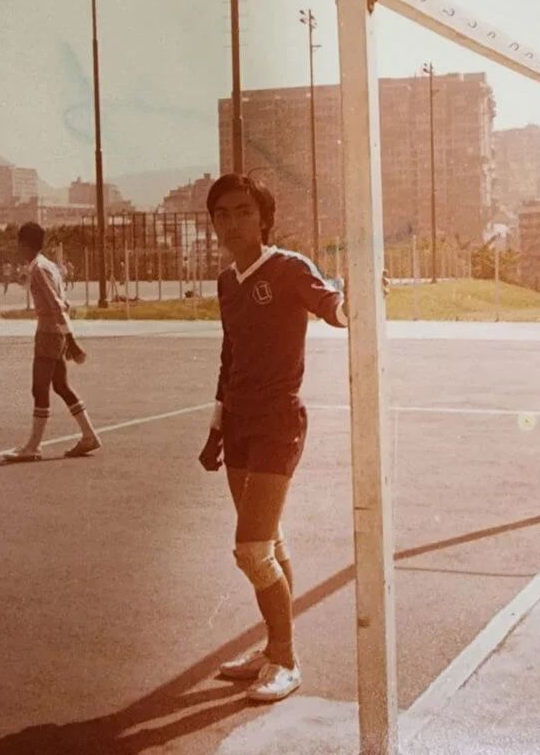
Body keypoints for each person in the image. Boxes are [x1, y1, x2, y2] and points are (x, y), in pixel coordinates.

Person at [198, 173, 388, 704]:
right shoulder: (227, 281)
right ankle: (272, 647)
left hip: (278, 423)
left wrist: (359, 300)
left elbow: (333, 309)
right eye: (221, 215)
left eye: (243, 211)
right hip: (238, 425)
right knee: (268, 543)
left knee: (251, 551)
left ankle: (285, 660)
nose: (232, 223)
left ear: (263, 218)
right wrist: (216, 427)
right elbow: (229, 356)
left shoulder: (288, 268)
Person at [4, 222, 101, 463]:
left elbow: (56, 305)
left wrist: (71, 339)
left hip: (49, 333)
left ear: (25, 244)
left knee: (39, 388)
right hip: (55, 332)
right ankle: (89, 435)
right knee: (60, 386)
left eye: (19, 243)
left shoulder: (39, 269)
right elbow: (62, 303)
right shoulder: (48, 266)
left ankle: (33, 446)